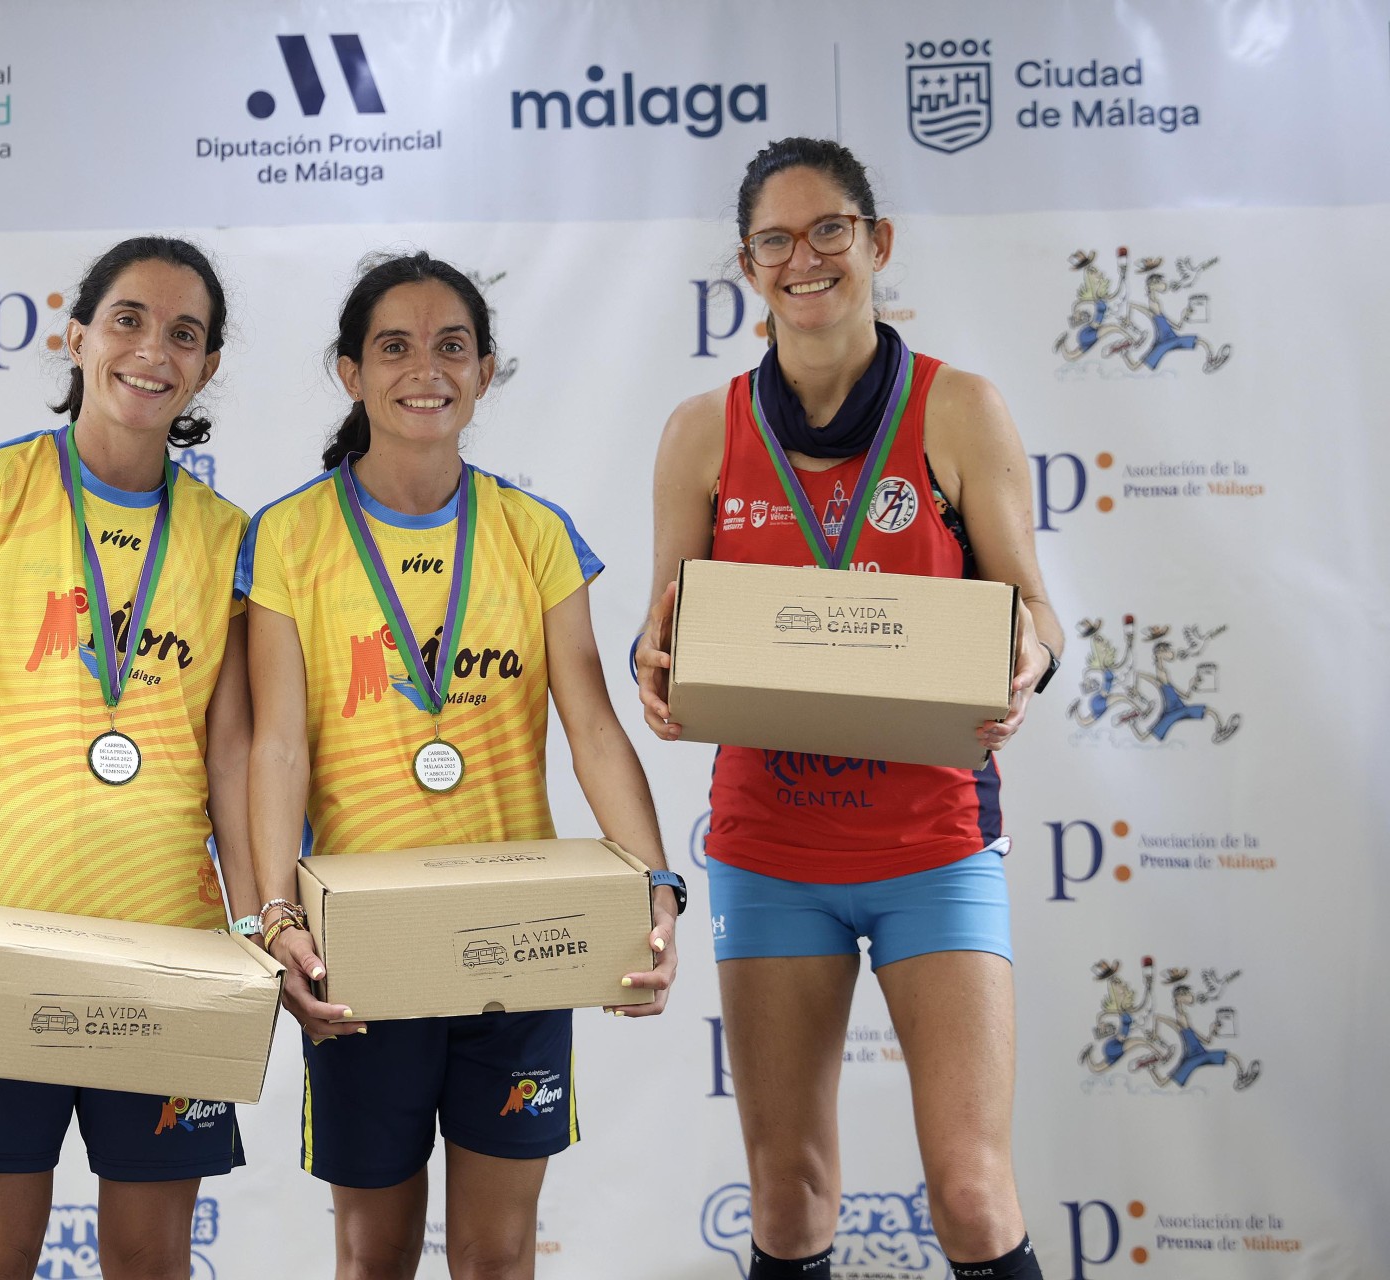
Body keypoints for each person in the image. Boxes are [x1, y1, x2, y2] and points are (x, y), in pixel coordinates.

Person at [635, 138, 1063, 1280]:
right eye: (775, 240)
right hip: (772, 846)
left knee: (971, 1192)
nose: (805, 258)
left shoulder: (958, 409)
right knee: (787, 1195)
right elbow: (666, 624)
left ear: (878, 242)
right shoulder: (701, 430)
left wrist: (1026, 654)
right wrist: (655, 666)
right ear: (747, 265)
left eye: (830, 229)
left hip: (934, 840)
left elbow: (1034, 611)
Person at [242, 252, 684, 1280]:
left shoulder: (535, 533)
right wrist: (276, 915)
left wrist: (656, 887)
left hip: (518, 942)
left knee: (497, 1253)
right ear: (351, 372)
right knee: (374, 1253)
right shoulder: (289, 536)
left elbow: (593, 728)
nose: (425, 369)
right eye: (394, 346)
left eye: (452, 346)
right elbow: (277, 747)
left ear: (484, 371)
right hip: (362, 953)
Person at [0, 237, 259, 1280]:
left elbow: (232, 759)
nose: (153, 350)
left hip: (170, 948)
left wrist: (263, 923)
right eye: (129, 319)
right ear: (76, 336)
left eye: (185, 333)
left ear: (208, 366)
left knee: (151, 1259)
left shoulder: (227, 535)